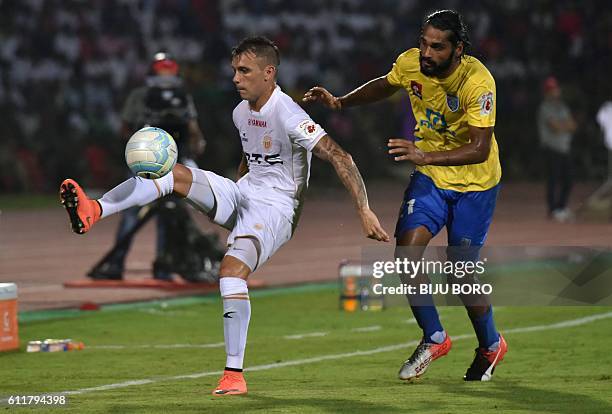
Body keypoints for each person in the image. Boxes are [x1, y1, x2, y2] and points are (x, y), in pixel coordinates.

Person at [59, 36, 389, 395]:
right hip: (245, 193)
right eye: (234, 70)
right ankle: (95, 209)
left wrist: (364, 210)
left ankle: (234, 375)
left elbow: (340, 156)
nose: (235, 78)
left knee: (231, 272)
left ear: (268, 73)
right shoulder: (240, 111)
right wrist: (232, 195)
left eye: (244, 71)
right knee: (173, 173)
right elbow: (250, 157)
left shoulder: (290, 114)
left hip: (277, 209)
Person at [303, 9, 507, 381]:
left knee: (459, 274)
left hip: (475, 183)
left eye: (437, 47)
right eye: (423, 43)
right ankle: (434, 336)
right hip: (431, 176)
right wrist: (341, 102)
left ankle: (491, 345)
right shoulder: (412, 63)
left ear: (457, 49)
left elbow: (479, 147)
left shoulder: (478, 82)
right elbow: (387, 82)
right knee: (407, 252)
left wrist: (424, 153)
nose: (426, 53)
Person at [89, 52, 207, 281]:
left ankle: (116, 264)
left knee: (133, 213)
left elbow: (125, 128)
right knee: (165, 216)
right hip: (172, 159)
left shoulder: (140, 95)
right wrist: (195, 145)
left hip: (145, 158)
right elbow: (192, 129)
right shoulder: (181, 96)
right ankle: (162, 268)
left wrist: (135, 144)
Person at [537, 76, 577, 222]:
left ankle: (562, 207)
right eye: (551, 90)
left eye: (555, 89)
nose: (554, 92)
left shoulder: (562, 107)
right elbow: (555, 128)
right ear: (546, 92)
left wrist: (563, 125)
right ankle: (553, 210)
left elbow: (573, 125)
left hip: (564, 148)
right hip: (551, 148)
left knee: (569, 179)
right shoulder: (545, 107)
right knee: (553, 180)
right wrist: (564, 125)